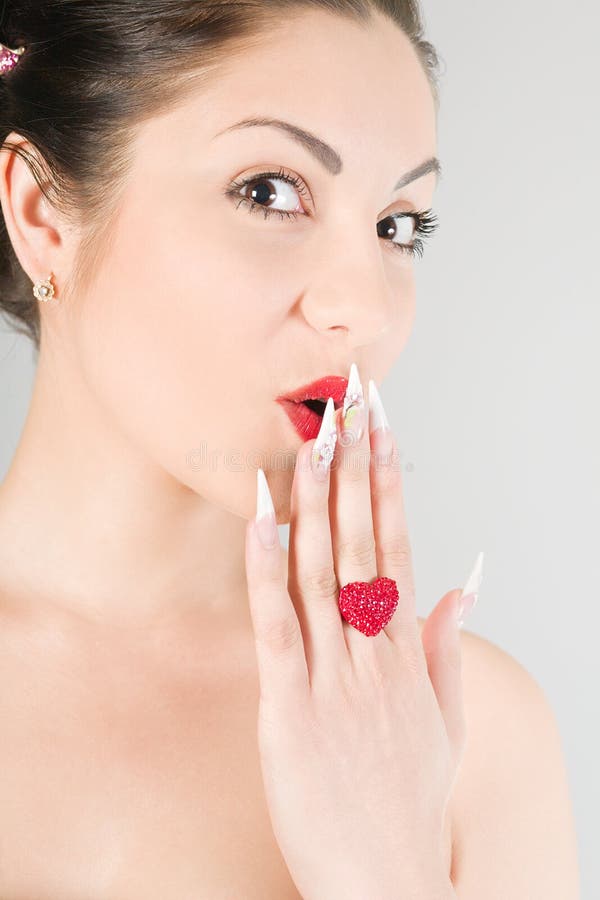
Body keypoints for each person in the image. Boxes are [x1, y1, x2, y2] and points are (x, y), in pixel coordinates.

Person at [0, 2, 579, 897]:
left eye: (398, 225)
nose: (369, 308)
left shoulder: (465, 736)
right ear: (42, 214)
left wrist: (387, 870)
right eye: (270, 191)